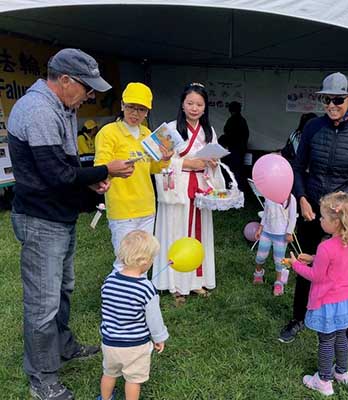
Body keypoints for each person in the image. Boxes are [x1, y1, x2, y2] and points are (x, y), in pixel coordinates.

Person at [7, 48, 134, 400]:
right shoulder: (36, 110)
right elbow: (56, 174)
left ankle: (62, 345)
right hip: (39, 219)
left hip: (58, 216)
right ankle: (43, 378)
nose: (90, 95)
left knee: (63, 289)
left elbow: (66, 169)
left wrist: (90, 183)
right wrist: (105, 171)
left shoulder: (62, 108)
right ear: (64, 81)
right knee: (42, 303)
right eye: (87, 88)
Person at [278, 72, 348, 347]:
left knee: (343, 273)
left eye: (337, 100)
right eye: (326, 100)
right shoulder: (312, 127)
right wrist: (301, 197)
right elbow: (298, 167)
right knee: (306, 260)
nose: (331, 105)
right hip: (313, 208)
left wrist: (347, 196)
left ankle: (344, 329)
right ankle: (299, 317)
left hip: (342, 215)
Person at [152, 82, 223, 306]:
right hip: (178, 188)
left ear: (205, 108)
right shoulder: (170, 129)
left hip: (200, 188)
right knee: (176, 232)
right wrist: (188, 162)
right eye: (190, 103)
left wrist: (212, 162)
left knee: (198, 234)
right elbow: (159, 161)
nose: (194, 108)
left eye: (199, 104)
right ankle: (175, 284)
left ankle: (195, 281)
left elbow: (214, 159)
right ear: (182, 105)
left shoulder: (209, 131)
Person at [287, 192, 348, 396]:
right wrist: (313, 257)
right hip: (346, 301)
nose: (319, 220)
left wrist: (295, 264)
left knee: (326, 341)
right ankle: (342, 372)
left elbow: (316, 276)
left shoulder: (326, 247)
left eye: (322, 217)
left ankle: (323, 380)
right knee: (341, 336)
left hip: (327, 303)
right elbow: (335, 266)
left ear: (336, 222)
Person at [95, 82, 173, 272]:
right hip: (122, 207)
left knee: (144, 260)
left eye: (141, 109)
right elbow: (100, 169)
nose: (135, 113)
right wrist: (114, 170)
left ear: (147, 112)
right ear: (122, 105)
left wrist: (165, 158)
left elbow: (154, 167)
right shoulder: (108, 132)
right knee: (125, 260)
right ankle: (118, 300)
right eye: (131, 107)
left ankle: (140, 299)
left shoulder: (149, 134)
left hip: (146, 206)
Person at [97, 230, 169, 400]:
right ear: (145, 261)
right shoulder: (146, 288)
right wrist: (159, 338)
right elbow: (154, 319)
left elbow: (107, 308)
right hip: (134, 346)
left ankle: (104, 398)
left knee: (109, 374)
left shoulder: (109, 280)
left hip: (109, 343)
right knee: (133, 380)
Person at [253, 193, 297, 296]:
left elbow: (292, 217)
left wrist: (289, 232)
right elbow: (266, 213)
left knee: (279, 260)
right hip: (266, 232)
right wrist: (260, 228)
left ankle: (279, 282)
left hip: (281, 235)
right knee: (260, 256)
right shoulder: (269, 195)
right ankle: (258, 273)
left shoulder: (291, 198)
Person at [219, 101, 249, 191]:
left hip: (234, 149)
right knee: (238, 170)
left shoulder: (233, 120)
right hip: (240, 149)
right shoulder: (242, 120)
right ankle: (239, 188)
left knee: (233, 170)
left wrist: (224, 141)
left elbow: (228, 134)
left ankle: (235, 188)